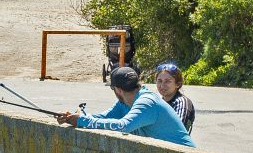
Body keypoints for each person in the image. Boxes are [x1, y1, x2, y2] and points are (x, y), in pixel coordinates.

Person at [60, 65, 193, 144]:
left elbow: (123, 126)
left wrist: (82, 121)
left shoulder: (146, 102)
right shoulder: (123, 104)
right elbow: (102, 117)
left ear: (118, 90)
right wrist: (73, 117)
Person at [153, 61, 196, 135]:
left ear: (178, 84)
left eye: (167, 81)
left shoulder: (182, 103)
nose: (162, 86)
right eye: (159, 81)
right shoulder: (159, 102)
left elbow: (177, 131)